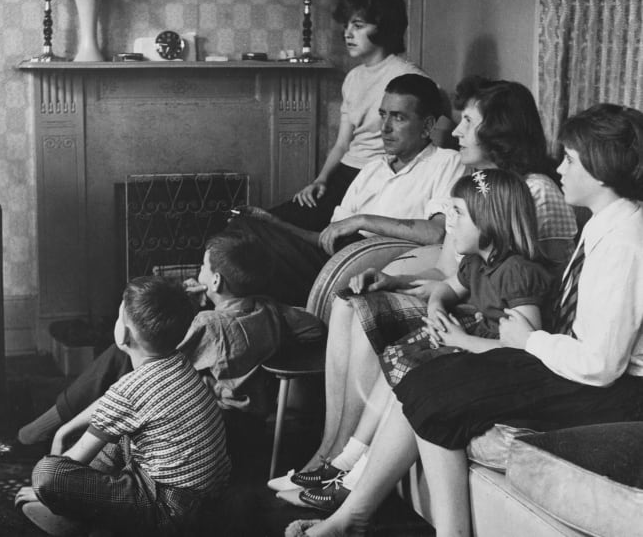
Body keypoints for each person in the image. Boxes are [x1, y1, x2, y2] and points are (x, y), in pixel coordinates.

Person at [286, 103, 643, 537]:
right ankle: (352, 516)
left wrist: (529, 342)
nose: (560, 168)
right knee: (425, 377)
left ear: (601, 170)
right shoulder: (605, 224)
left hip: (617, 390)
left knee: (440, 391)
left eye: (570, 159)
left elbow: (601, 365)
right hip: (572, 361)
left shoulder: (626, 243)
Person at [270, 78, 577, 493]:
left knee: (367, 315)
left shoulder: (532, 190)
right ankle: (330, 452)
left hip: (499, 323)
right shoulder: (476, 188)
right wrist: (396, 279)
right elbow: (451, 273)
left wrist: (461, 314)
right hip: (466, 305)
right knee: (352, 299)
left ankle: (340, 465)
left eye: (468, 120)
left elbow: (548, 283)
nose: (456, 132)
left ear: (498, 130)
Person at [284, 169, 552, 512]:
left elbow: (525, 350)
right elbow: (446, 288)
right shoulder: (475, 263)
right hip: (474, 345)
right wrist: (438, 306)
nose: (449, 222)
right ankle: (346, 459)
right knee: (397, 356)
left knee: (414, 373)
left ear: (490, 223)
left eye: (459, 213)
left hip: (500, 365)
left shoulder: (517, 272)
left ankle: (353, 479)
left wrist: (462, 340)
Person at [1, 231, 325, 462]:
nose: (200, 271)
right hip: (251, 427)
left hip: (216, 428)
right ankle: (51, 432)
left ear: (215, 282)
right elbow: (314, 328)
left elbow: (157, 353)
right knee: (120, 355)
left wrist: (185, 305)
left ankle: (37, 435)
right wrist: (270, 347)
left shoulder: (210, 325)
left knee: (120, 354)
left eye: (204, 266)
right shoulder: (270, 310)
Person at [13, 276, 231, 537]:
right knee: (118, 436)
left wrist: (46, 491)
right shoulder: (179, 363)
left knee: (47, 474)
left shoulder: (130, 390)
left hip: (168, 512)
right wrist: (63, 431)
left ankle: (80, 521)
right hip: (205, 499)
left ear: (124, 333)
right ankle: (91, 517)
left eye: (119, 317)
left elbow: (70, 461)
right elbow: (111, 408)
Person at [230, 73, 466, 306]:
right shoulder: (373, 169)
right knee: (246, 229)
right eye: (383, 115)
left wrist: (362, 220)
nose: (384, 128)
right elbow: (329, 239)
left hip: (367, 268)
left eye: (398, 118)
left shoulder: (447, 162)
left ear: (427, 126)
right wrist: (275, 223)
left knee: (248, 254)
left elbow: (437, 233)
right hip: (337, 259)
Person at [270, 0, 427, 232]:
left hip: (375, 177)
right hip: (344, 173)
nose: (347, 34)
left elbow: (433, 135)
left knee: (285, 228)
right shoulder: (353, 77)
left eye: (358, 25)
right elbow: (343, 144)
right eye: (347, 26)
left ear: (383, 28)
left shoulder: (408, 75)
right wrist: (320, 180)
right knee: (265, 220)